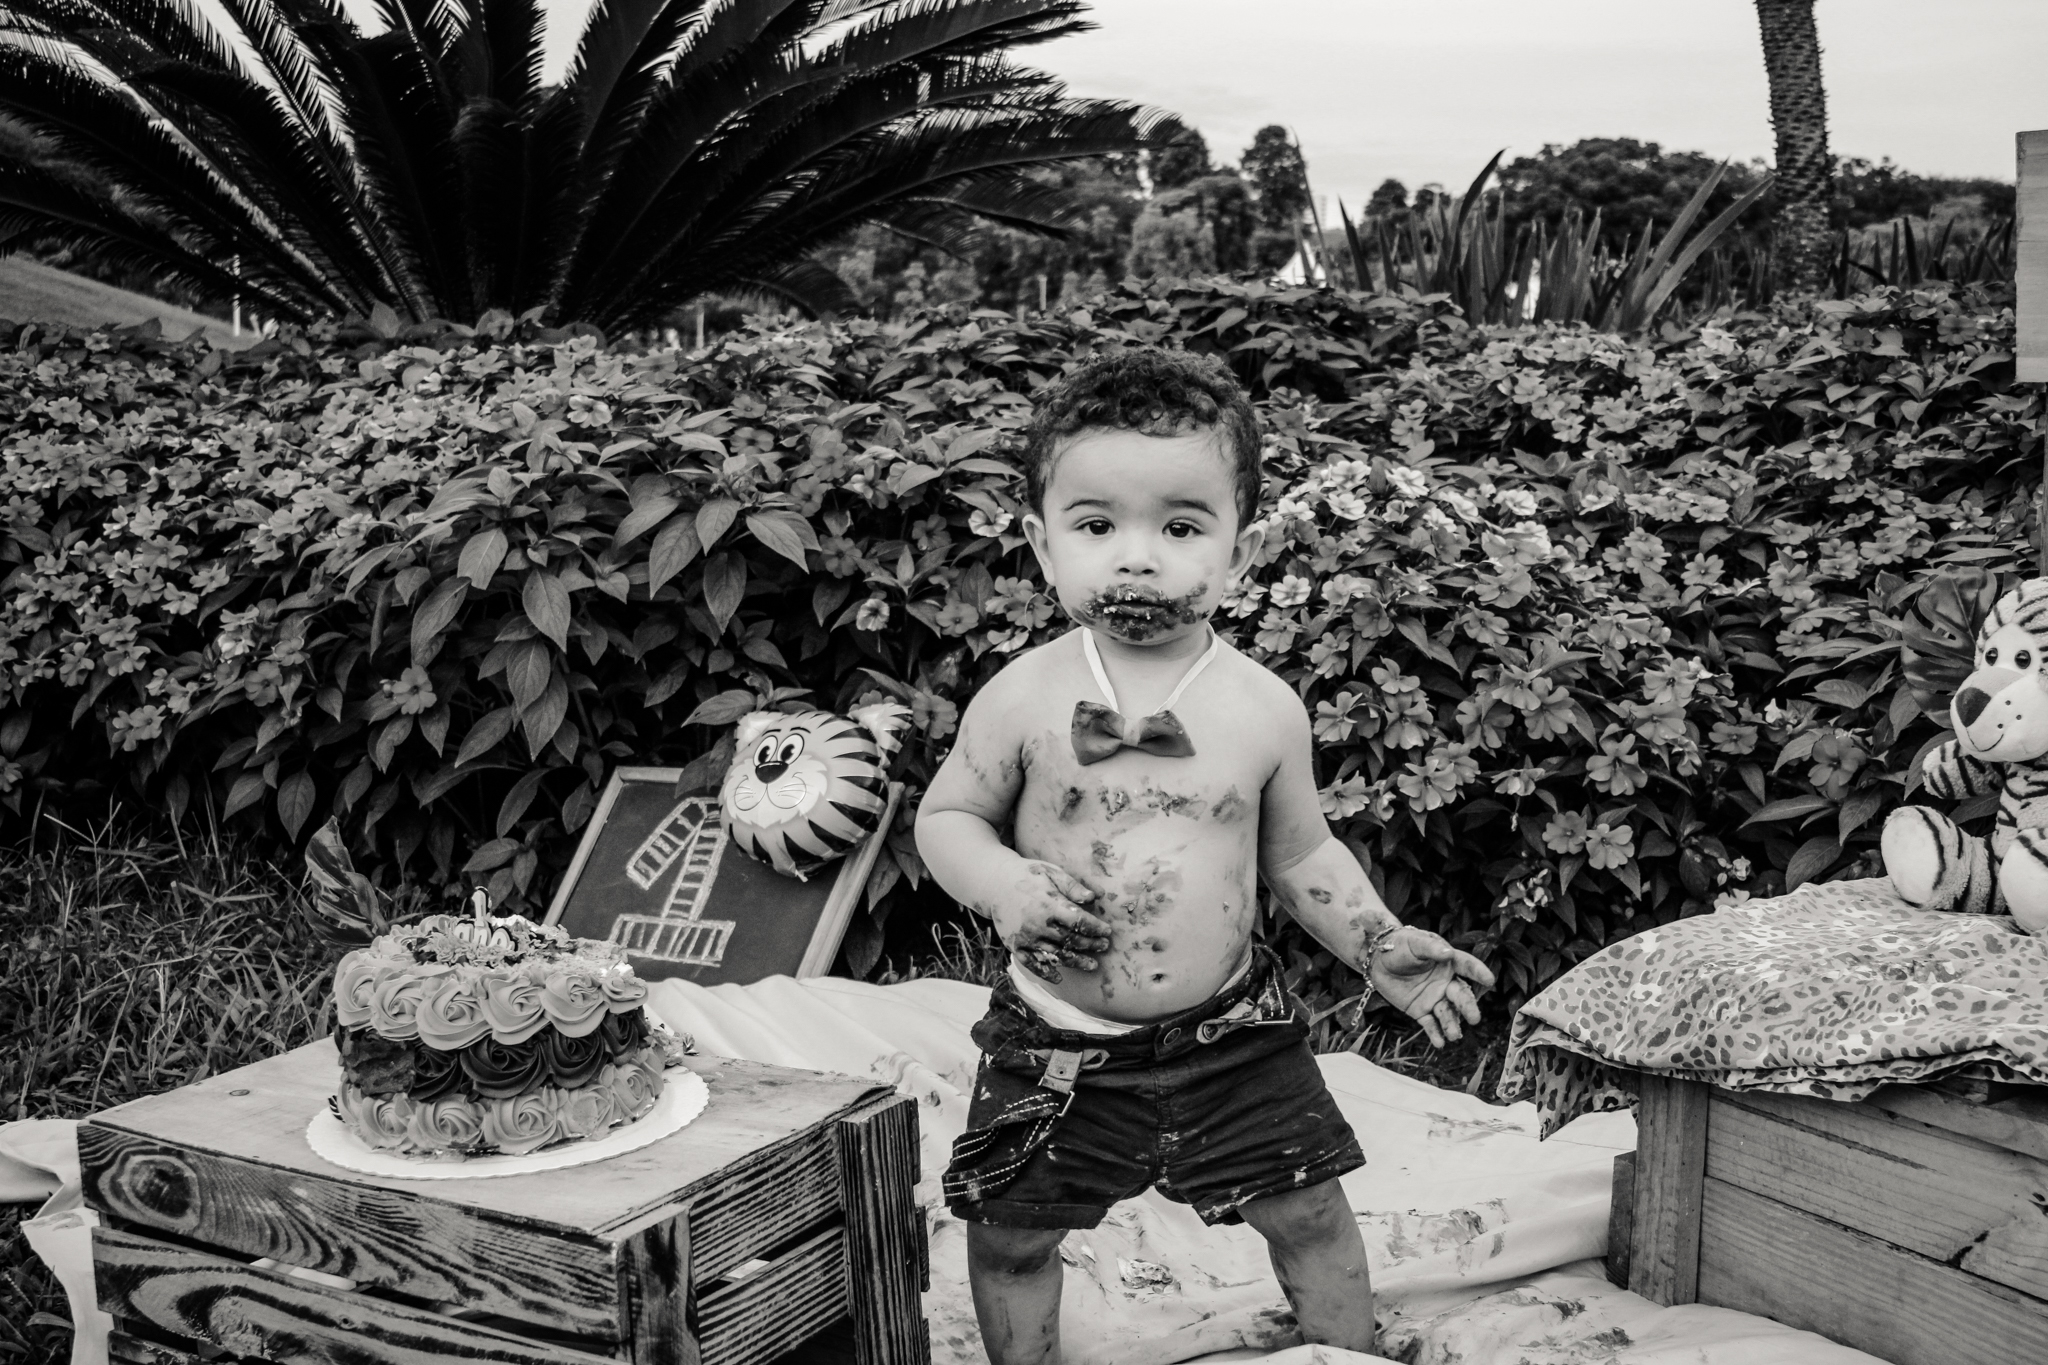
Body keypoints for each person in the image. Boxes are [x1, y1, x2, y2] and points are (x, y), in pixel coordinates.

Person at [915, 347, 1496, 1364]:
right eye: (1095, 527)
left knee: (1311, 1216)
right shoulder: (1019, 695)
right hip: (1054, 1041)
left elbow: (1300, 853)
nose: (1135, 559)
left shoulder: (1260, 707)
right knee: (1008, 1235)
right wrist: (1001, 881)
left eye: (1180, 528)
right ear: (1040, 545)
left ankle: (1340, 1353)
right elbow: (946, 819)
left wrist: (1374, 943)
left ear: (1239, 547)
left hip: (1228, 1036)